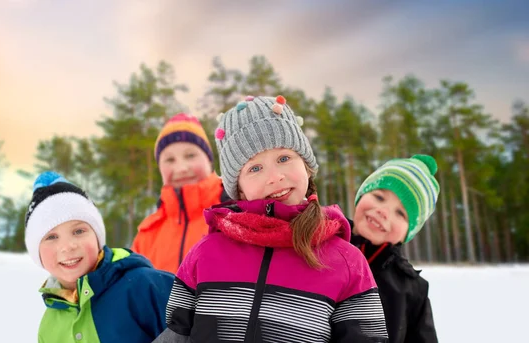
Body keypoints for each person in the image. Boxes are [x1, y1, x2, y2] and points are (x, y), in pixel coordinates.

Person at [155, 95, 388, 342]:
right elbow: (177, 334)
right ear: (239, 188)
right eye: (255, 168)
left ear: (307, 166)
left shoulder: (347, 262)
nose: (274, 177)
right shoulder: (205, 253)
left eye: (284, 158)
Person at [24, 171, 174, 343]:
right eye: (51, 237)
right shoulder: (49, 327)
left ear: (97, 237)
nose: (67, 246)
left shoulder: (146, 287)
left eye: (78, 231)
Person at [351, 155, 440, 343]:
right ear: (361, 195)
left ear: (408, 233)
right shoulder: (317, 245)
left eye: (400, 213)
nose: (383, 211)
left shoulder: (413, 289)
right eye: (379, 197)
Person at [132, 112, 229, 274]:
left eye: (190, 155)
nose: (181, 168)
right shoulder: (147, 235)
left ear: (209, 159)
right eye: (170, 160)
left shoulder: (237, 213)